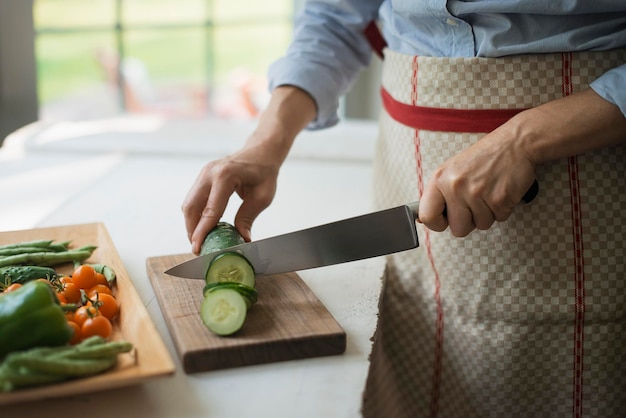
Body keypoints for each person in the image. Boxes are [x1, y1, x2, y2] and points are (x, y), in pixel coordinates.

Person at [182, 2, 626, 417]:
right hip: (406, 161)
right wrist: (265, 145)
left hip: (585, 161)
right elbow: (334, 18)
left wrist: (523, 139)